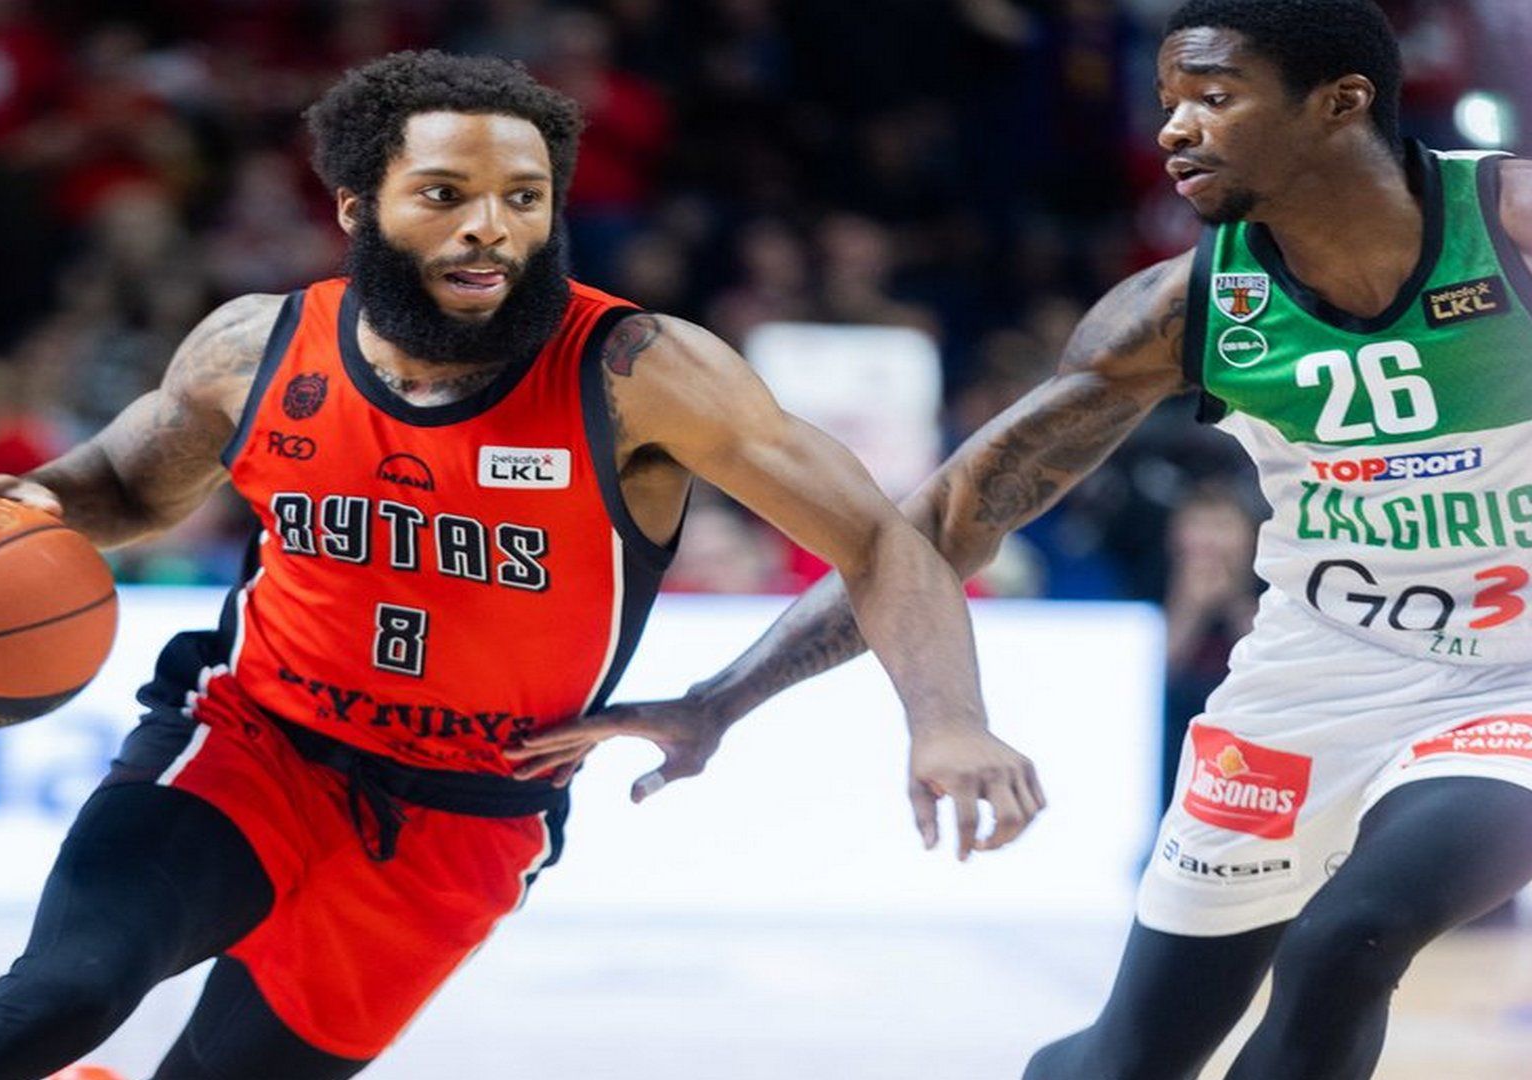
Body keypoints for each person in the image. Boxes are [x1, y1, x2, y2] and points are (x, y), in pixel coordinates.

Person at [0, 51, 1040, 1080]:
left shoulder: (641, 371)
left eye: (525, 197)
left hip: (469, 812)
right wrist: (29, 502)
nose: (491, 227)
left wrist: (948, 719)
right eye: (447, 194)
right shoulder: (256, 347)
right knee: (58, 999)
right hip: (255, 741)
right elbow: (126, 486)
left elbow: (882, 540)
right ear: (358, 208)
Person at [509, 2, 1532, 1076]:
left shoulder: (1506, 222)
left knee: (1347, 938)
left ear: (1341, 103)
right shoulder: (1179, 309)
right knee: (1129, 1058)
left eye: (1215, 98)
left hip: (1511, 678)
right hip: (1319, 675)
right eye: (1169, 102)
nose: (1175, 129)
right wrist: (720, 698)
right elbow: (941, 524)